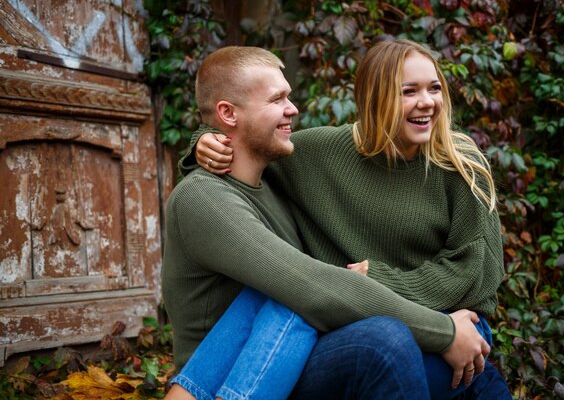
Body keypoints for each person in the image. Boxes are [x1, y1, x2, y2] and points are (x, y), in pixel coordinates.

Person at [163, 45, 494, 400]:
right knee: (374, 336)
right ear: (374, 99)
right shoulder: (221, 193)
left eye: (435, 87)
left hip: (406, 320)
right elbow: (313, 287)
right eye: (277, 99)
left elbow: (473, 270)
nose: (294, 109)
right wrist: (202, 142)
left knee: (476, 376)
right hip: (237, 367)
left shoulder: (459, 163)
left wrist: (436, 320)